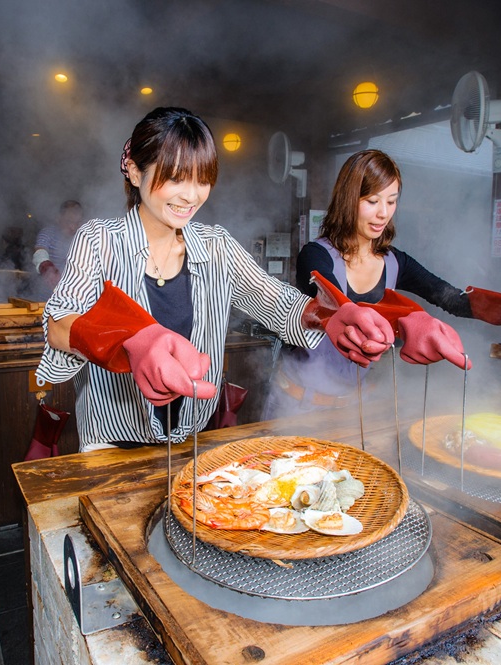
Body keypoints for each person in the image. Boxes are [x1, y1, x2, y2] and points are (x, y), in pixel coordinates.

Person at [35, 107, 393, 451]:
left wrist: (330, 315)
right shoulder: (100, 240)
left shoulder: (215, 246)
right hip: (112, 441)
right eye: (175, 178)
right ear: (134, 171)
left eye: (202, 179)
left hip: (191, 439)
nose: (191, 196)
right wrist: (129, 340)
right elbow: (59, 324)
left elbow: (278, 302)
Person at [262, 149, 501, 419]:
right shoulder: (315, 255)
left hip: (352, 409)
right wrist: (405, 320)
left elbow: (451, 298)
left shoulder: (395, 262)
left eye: (391, 201)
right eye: (372, 201)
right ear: (348, 200)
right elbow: (334, 306)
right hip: (296, 404)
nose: (383, 213)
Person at [32, 199, 84, 287]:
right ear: (59, 218)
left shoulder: (82, 238)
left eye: (77, 223)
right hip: (45, 293)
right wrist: (47, 268)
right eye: (69, 221)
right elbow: (40, 253)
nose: (73, 227)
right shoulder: (48, 233)